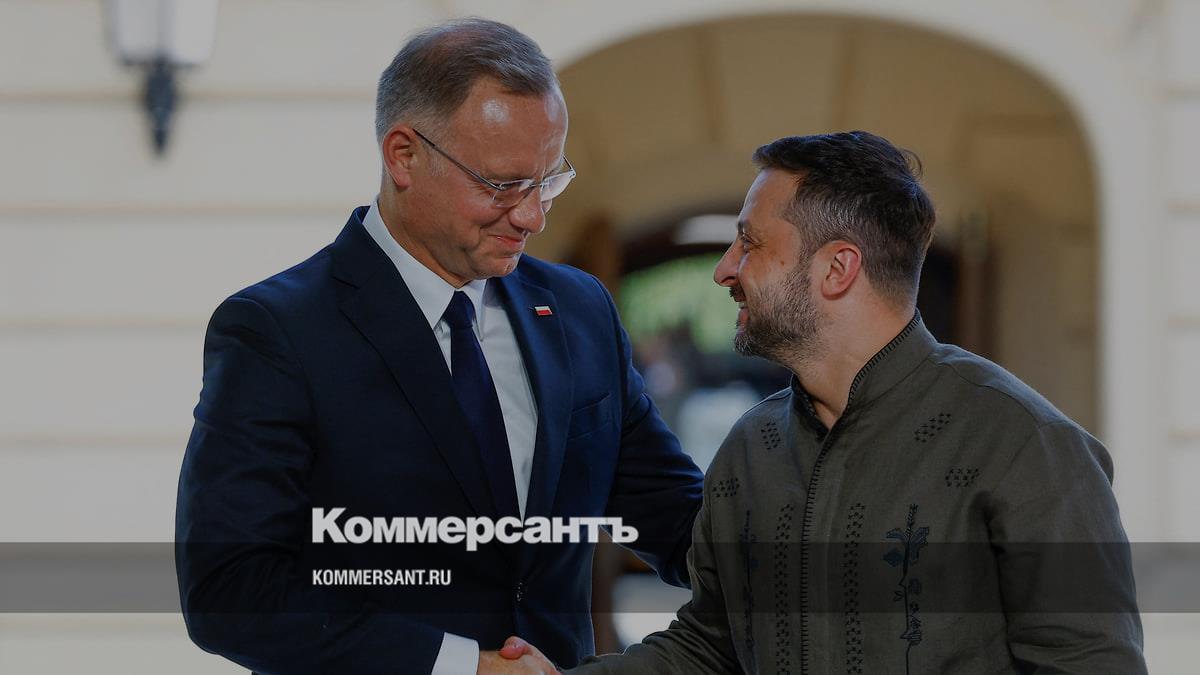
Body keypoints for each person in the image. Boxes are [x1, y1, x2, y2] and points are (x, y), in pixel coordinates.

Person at [174, 18, 703, 675]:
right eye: (503, 185)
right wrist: (463, 666)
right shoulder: (275, 331)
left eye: (548, 181)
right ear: (403, 156)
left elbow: (679, 521)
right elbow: (229, 589)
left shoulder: (579, 310)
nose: (533, 215)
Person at [540, 131, 1147, 673]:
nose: (726, 270)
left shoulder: (1027, 446)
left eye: (750, 243)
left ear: (838, 268)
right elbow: (712, 647)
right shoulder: (751, 448)